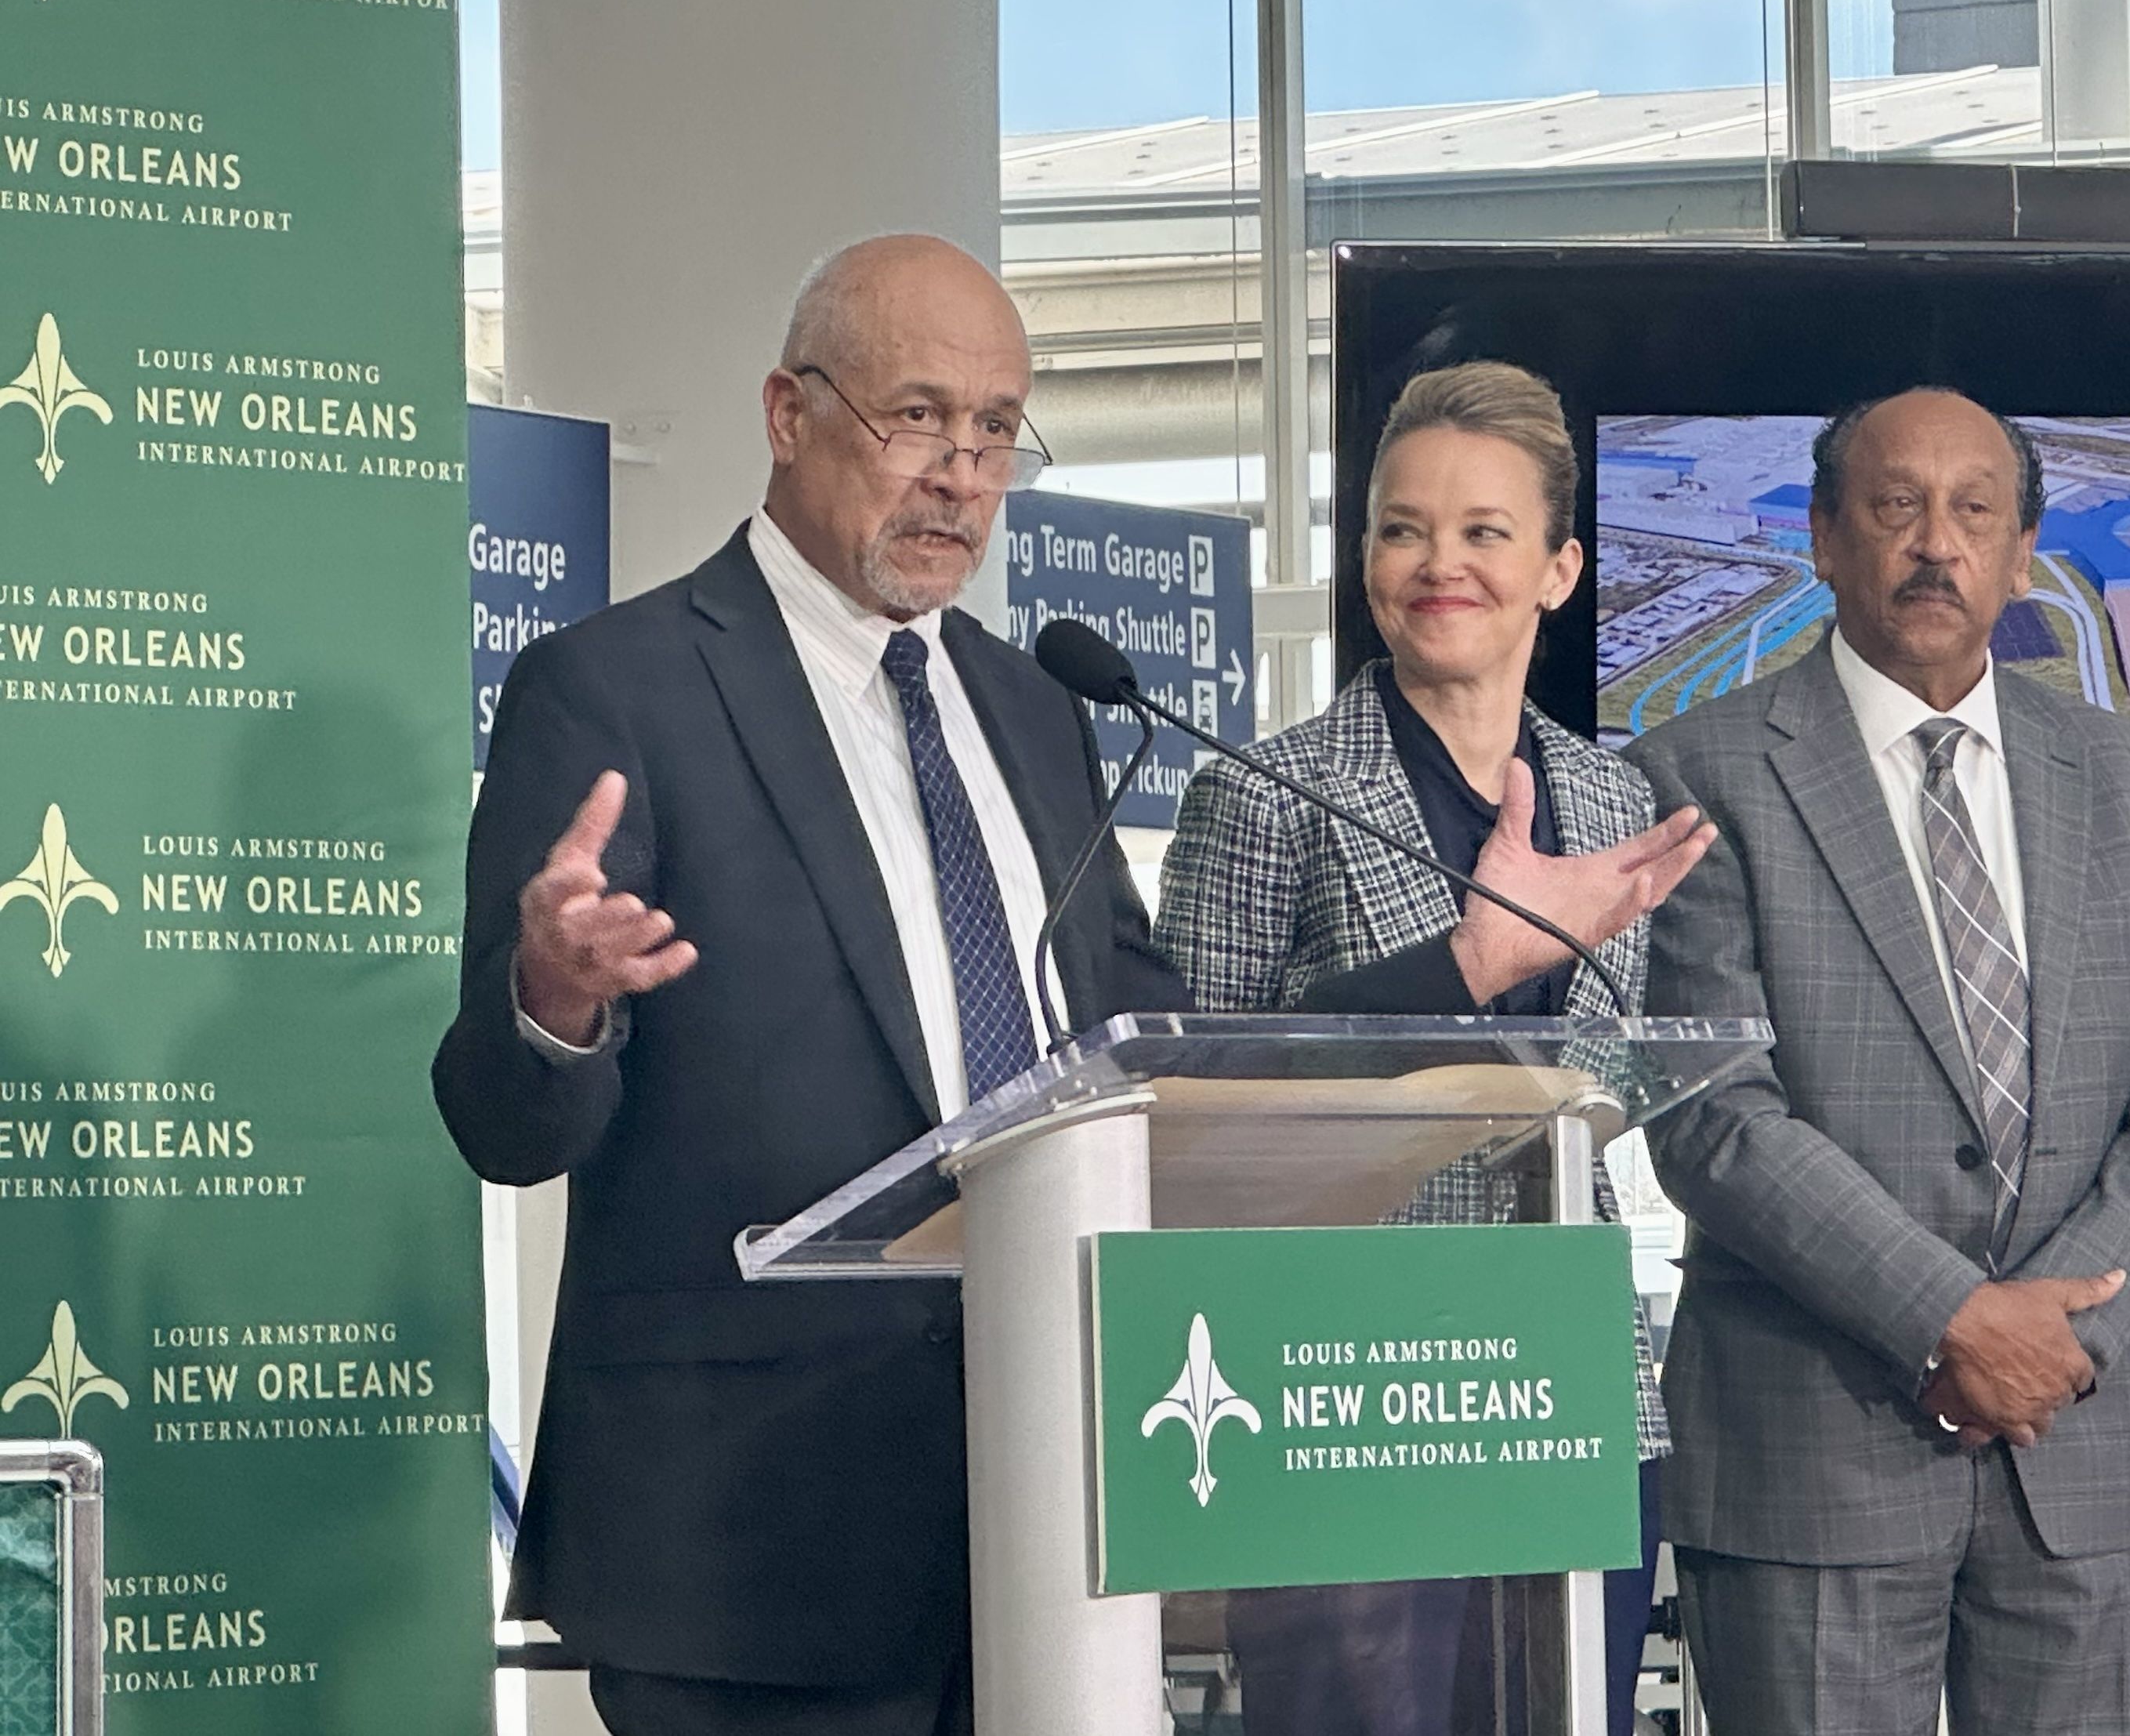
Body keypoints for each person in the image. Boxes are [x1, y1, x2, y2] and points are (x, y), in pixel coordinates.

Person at [433, 234, 1186, 1736]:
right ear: (789, 413)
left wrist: (1471, 963)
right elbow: (504, 1121)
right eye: (917, 416)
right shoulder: (615, 685)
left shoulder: (1038, 711)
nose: (960, 474)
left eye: (993, 430)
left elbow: (1144, 1047)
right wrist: (555, 994)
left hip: (1051, 1510)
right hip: (747, 1538)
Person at [1628, 387, 2130, 1735]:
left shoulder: (2117, 770)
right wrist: (1953, 1320)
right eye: (1894, 505)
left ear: (2020, 551)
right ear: (1821, 536)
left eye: (1974, 511)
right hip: (1810, 1446)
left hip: (2072, 1439)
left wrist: (2055, 1335)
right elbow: (1711, 1112)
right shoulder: (1697, 771)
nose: (1935, 544)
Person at [1155, 359, 1716, 1736]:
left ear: (1559, 569)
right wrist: (1467, 968)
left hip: (1567, 1382)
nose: (1437, 563)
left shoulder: (1610, 796)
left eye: (1483, 532)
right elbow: (1187, 1119)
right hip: (1340, 1391)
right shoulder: (1265, 792)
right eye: (1403, 528)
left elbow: (1609, 1092)